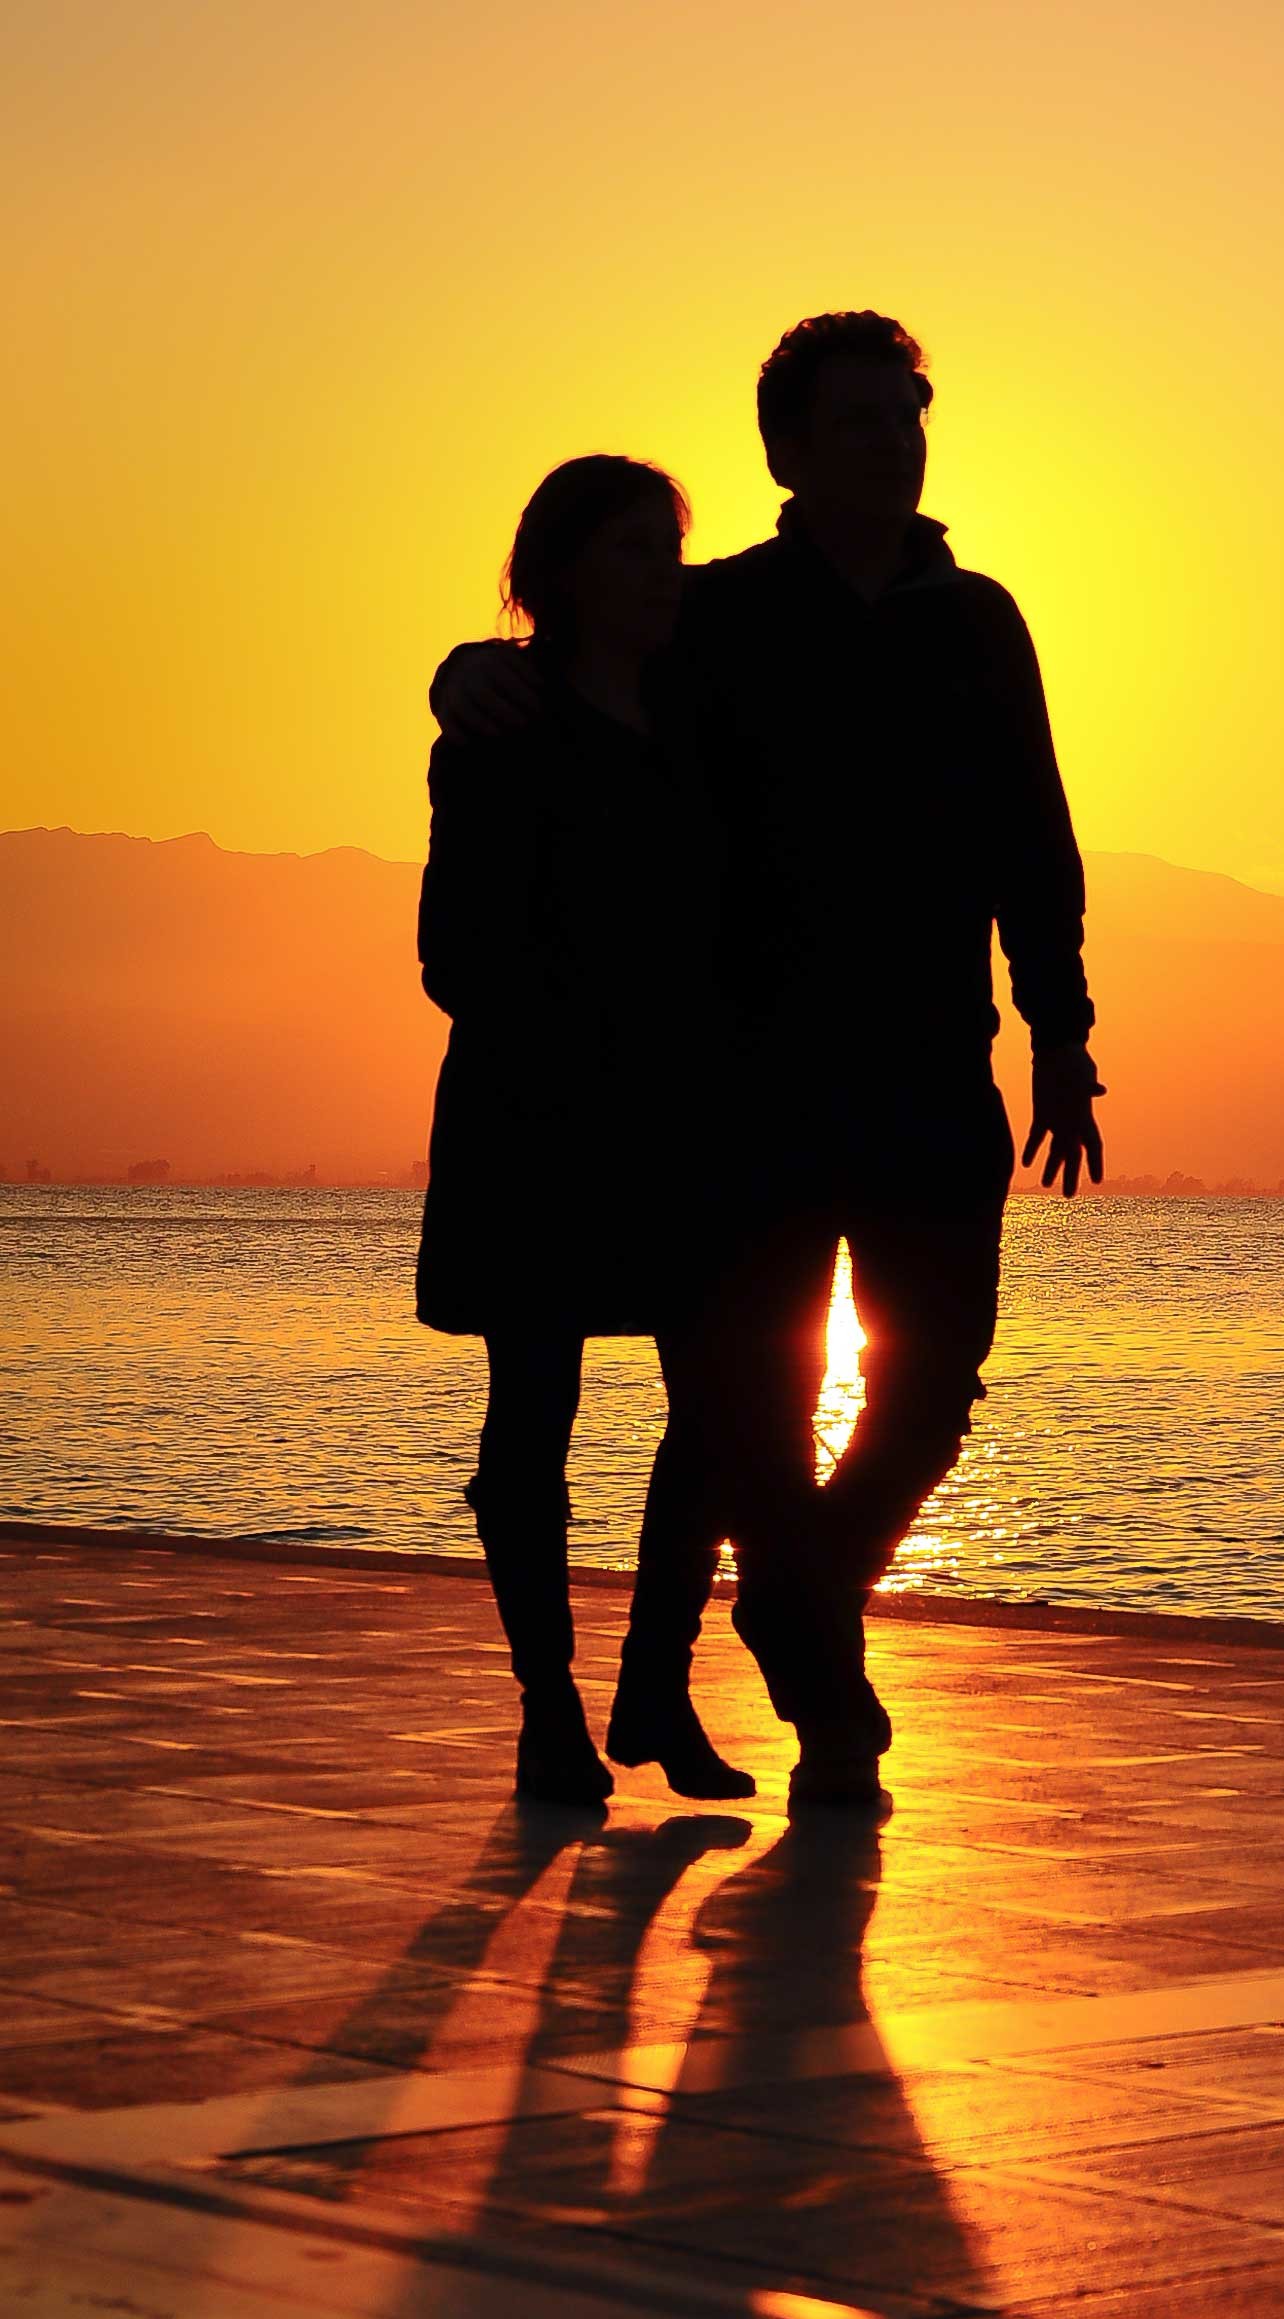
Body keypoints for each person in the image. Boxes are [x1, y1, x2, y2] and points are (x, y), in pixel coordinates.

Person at [434, 314, 1105, 1806]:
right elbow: (573, 673)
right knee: (757, 1399)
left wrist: (1064, 1033)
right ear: (788, 450)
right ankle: (821, 1696)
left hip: (939, 1068)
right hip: (752, 1084)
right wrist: (458, 668)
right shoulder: (721, 615)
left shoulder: (980, 621)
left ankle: (803, 1597)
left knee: (934, 1385)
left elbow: (1033, 842)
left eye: (907, 410)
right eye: (856, 418)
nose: (891, 436)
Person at [416, 453, 755, 1810]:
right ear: (560, 574)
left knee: (723, 1402)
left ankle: (654, 1681)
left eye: (668, 546)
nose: (662, 572)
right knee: (532, 1415)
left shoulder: (699, 711)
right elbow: (454, 952)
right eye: (630, 551)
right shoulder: (500, 729)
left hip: (685, 1119)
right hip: (536, 1116)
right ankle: (546, 1701)